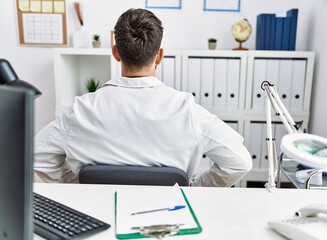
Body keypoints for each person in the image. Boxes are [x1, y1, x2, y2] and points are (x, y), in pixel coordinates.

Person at [33, 8, 252, 187]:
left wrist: (78, 184)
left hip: (96, 218)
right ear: (160, 55)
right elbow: (239, 162)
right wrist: (197, 189)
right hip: (170, 221)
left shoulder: (80, 110)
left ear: (116, 52)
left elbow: (37, 156)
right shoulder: (187, 110)